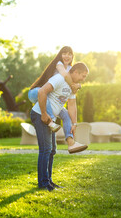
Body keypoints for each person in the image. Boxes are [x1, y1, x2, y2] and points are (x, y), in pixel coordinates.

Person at [30, 62, 89, 191]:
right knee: (46, 150)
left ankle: (49, 181)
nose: (83, 79)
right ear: (75, 72)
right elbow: (41, 92)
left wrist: (73, 124)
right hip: (40, 115)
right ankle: (43, 183)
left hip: (50, 117)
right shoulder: (59, 79)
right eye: (83, 76)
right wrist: (44, 114)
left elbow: (72, 105)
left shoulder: (72, 86)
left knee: (52, 151)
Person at [28, 46, 81, 134]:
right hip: (36, 91)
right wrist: (73, 86)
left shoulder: (70, 69)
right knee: (45, 97)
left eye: (69, 54)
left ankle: (70, 140)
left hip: (49, 96)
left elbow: (77, 79)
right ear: (60, 55)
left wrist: (78, 86)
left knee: (66, 115)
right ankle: (51, 122)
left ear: (72, 56)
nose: (66, 56)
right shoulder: (58, 64)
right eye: (64, 54)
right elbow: (65, 75)